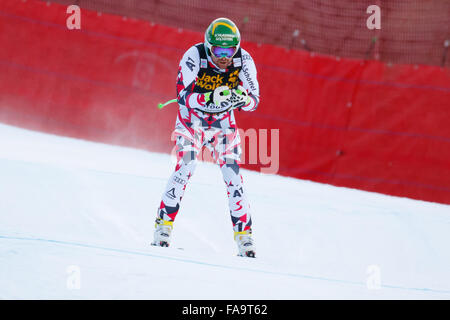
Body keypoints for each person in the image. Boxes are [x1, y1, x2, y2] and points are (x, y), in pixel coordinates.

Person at [151, 17, 260, 258]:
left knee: (233, 175)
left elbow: (255, 100)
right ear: (209, 46)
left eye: (230, 50)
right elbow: (182, 95)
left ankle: (245, 236)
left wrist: (242, 99)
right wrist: (209, 98)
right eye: (219, 50)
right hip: (192, 122)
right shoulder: (194, 56)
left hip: (223, 125)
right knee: (186, 166)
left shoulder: (244, 60)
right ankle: (163, 226)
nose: (224, 56)